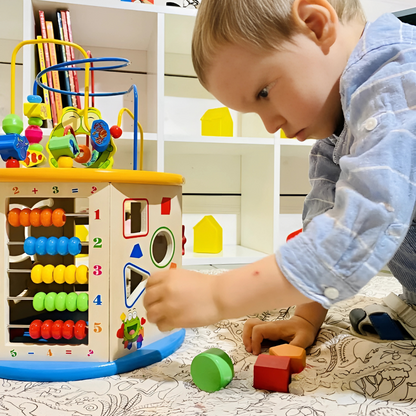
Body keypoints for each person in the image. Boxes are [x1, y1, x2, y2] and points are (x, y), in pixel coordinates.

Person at [143, 0, 416, 354]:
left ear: (316, 25)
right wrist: (306, 317)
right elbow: (325, 223)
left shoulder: (396, 77)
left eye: (264, 93)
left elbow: (360, 228)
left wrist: (218, 295)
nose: (271, 125)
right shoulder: (336, 129)